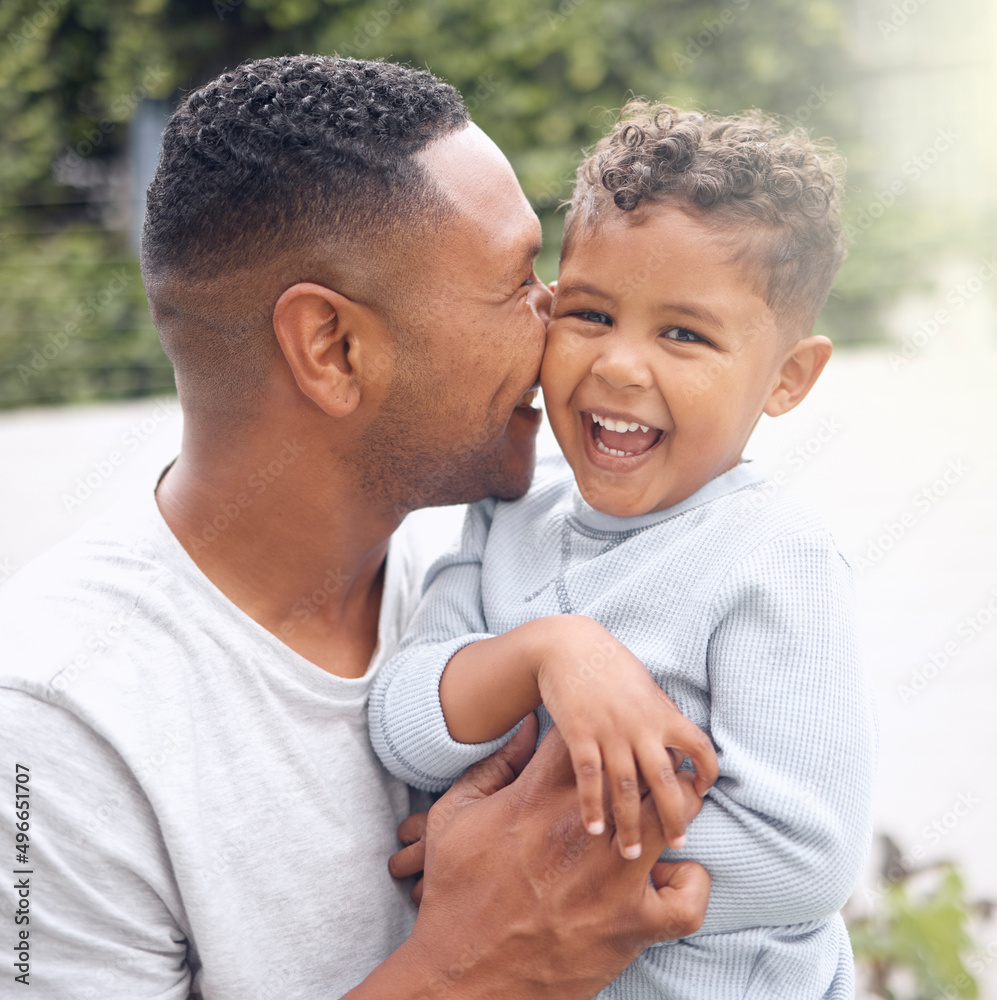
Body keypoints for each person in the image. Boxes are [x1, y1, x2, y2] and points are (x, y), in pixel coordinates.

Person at [0, 59, 714, 999]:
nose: (561, 330)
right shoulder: (57, 718)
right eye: (518, 284)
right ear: (334, 349)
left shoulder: (514, 561)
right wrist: (473, 968)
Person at [370, 102, 878, 998]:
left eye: (682, 334)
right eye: (590, 314)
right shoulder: (506, 517)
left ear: (787, 379)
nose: (617, 365)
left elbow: (802, 853)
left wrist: (514, 855)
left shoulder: (771, 560)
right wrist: (544, 654)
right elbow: (405, 724)